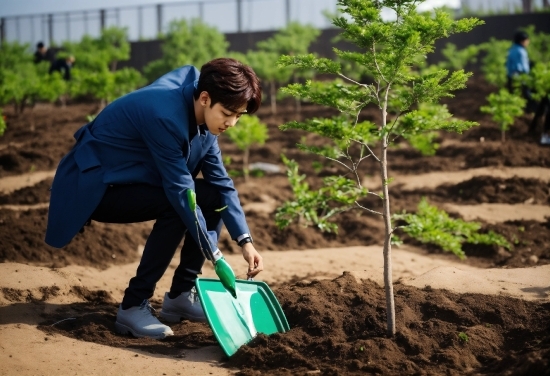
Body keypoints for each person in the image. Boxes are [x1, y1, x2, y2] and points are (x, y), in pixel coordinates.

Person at [45, 57, 264, 339]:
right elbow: (180, 191)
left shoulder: (206, 118)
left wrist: (245, 242)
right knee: (180, 203)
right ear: (206, 98)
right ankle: (133, 305)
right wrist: (216, 256)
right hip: (96, 185)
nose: (232, 123)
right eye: (228, 113)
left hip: (135, 178)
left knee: (211, 196)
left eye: (239, 116)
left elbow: (222, 184)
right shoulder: (165, 115)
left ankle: (180, 296)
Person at [505, 30, 537, 114]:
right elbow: (524, 68)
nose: (528, 42)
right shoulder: (521, 51)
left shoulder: (512, 49)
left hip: (511, 76)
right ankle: (530, 111)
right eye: (527, 40)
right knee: (528, 95)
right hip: (520, 76)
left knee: (514, 95)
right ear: (522, 41)